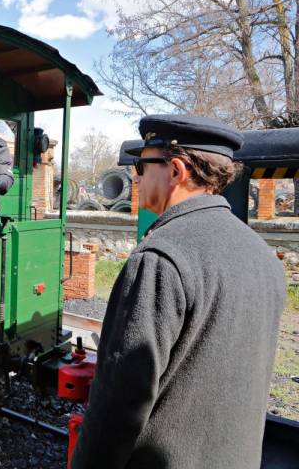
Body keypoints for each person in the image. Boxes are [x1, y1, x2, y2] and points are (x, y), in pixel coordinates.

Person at [70, 115, 286, 469]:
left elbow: (119, 403)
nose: (136, 177)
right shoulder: (262, 254)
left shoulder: (160, 258)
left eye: (142, 164)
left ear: (176, 170)